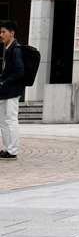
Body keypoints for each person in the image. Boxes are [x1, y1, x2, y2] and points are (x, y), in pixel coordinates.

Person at [0, 20, 25, 160]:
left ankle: (12, 150)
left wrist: (4, 81)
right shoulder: (9, 49)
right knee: (3, 120)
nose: (1, 35)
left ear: (12, 33)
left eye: (4, 32)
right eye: (1, 32)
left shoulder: (16, 50)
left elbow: (20, 71)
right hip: (5, 91)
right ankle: (6, 148)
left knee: (10, 119)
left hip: (12, 91)